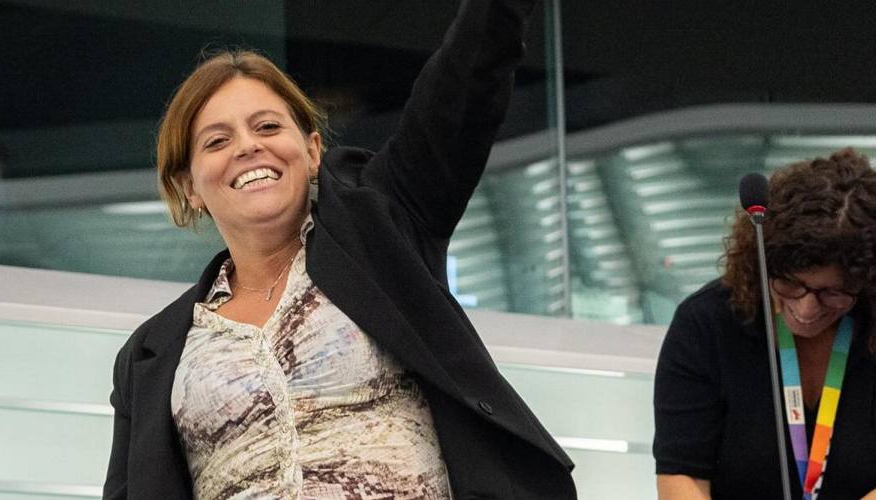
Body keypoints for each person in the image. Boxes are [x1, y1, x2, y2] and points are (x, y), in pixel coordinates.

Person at [103, 0, 576, 498]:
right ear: (190, 187)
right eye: (217, 141)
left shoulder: (382, 231)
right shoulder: (150, 353)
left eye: (268, 127)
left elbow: (464, 83)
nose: (247, 146)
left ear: (312, 152)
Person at [653, 148, 876, 499]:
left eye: (833, 293)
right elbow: (682, 475)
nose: (805, 310)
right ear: (762, 263)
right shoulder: (706, 323)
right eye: (789, 283)